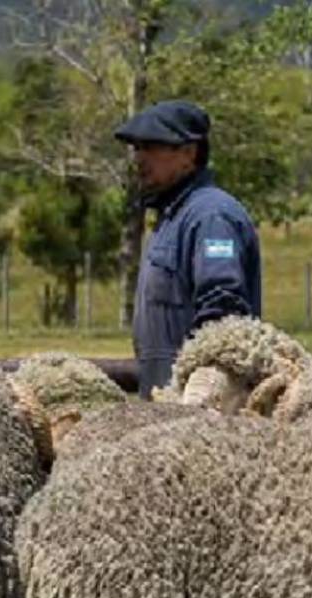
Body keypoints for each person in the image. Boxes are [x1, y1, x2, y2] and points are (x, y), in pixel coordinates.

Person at [114, 100, 262, 399]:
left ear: (189, 153)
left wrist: (200, 399)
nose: (139, 158)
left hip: (200, 411)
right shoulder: (171, 218)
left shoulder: (210, 217)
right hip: (165, 404)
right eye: (137, 148)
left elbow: (222, 317)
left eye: (152, 147)